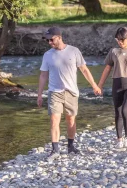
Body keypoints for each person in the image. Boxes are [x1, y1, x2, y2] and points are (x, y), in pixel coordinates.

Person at [37, 26, 101, 161]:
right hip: (55, 92)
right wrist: (39, 95)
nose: (49, 43)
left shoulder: (74, 51)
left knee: (70, 119)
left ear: (59, 37)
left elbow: (84, 70)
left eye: (51, 40)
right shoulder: (47, 55)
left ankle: (71, 146)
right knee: (54, 119)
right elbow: (43, 75)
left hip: (71, 91)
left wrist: (94, 85)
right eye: (47, 41)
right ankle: (55, 150)